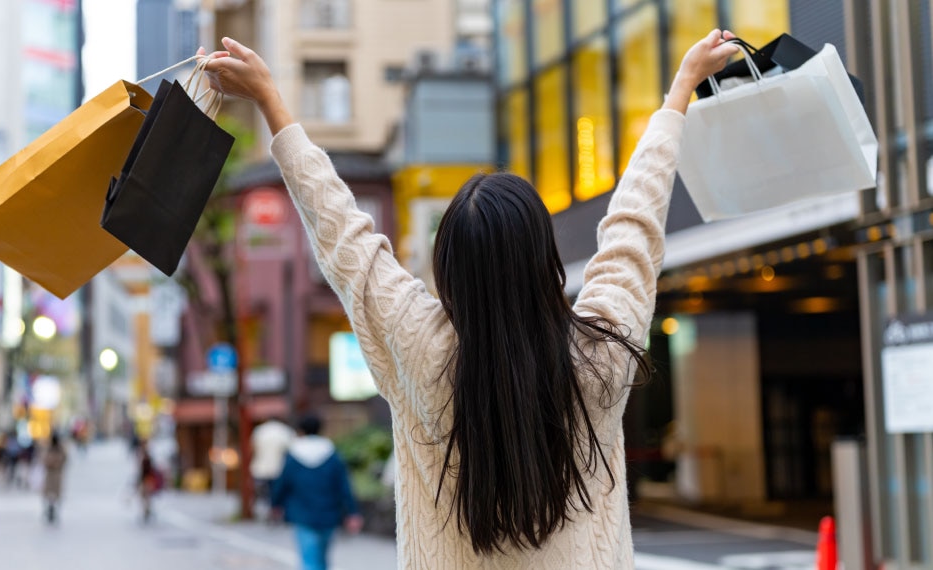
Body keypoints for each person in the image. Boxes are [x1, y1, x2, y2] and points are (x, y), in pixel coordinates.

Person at [202, 30, 738, 568]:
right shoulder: (601, 354)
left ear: (449, 272)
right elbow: (634, 224)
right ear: (545, 261)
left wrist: (271, 98)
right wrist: (679, 94)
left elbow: (342, 232)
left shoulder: (419, 346)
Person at [270, 415, 362, 570]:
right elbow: (344, 485)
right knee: (323, 560)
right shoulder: (332, 454)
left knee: (309, 561)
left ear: (301, 431)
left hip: (302, 514)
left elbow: (282, 484)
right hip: (329, 513)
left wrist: (275, 504)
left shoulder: (293, 455)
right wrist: (352, 512)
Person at [251, 417, 295, 513]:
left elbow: (253, 448)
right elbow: (292, 450)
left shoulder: (259, 430)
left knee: (264, 493)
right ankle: (276, 510)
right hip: (280, 468)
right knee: (278, 491)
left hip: (261, 467)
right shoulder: (285, 431)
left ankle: (268, 510)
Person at [42, 434, 68, 524]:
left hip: (56, 474)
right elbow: (44, 460)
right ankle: (49, 511)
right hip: (51, 474)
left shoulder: (59, 449)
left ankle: (54, 511)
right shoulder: (50, 449)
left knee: (55, 495)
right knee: (49, 494)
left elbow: (64, 459)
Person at [136, 447, 162, 523]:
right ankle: (147, 511)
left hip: (147, 481)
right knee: (146, 498)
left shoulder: (146, 461)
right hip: (147, 481)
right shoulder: (147, 461)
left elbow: (143, 473)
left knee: (146, 498)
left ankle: (147, 511)